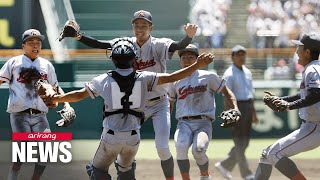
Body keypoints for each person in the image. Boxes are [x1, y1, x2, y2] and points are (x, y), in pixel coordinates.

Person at [41, 38, 214, 180]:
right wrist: (196, 65)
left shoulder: (104, 79)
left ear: (113, 59)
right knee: (126, 171)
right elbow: (172, 77)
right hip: (133, 137)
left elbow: (78, 95)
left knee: (97, 170)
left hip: (111, 136)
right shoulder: (144, 77)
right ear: (134, 59)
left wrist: (56, 98)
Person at [66, 10, 198, 180]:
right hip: (137, 104)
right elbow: (100, 44)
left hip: (159, 103)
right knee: (125, 139)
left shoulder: (159, 44)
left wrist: (188, 37)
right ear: (132, 27)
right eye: (137, 25)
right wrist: (79, 37)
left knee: (162, 148)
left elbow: (178, 46)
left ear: (151, 27)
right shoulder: (125, 43)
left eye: (144, 25)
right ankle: (125, 171)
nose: (140, 28)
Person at [0, 29, 72, 180]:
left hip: (40, 116)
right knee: (23, 149)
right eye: (31, 42)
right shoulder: (14, 62)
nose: (35, 45)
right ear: (23, 45)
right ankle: (13, 174)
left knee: (46, 151)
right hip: (19, 114)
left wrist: (67, 105)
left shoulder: (46, 65)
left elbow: (56, 87)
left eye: (38, 43)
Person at [254, 33, 320, 180]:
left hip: (315, 126)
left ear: (307, 52)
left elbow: (317, 93)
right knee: (267, 155)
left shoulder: (313, 69)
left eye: (299, 48)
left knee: (273, 153)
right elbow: (304, 94)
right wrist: (280, 99)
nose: (296, 51)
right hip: (312, 126)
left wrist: (289, 106)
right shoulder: (313, 68)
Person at [168, 44, 239, 180]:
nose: (187, 60)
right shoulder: (175, 79)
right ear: (180, 60)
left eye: (191, 57)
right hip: (183, 123)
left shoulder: (208, 76)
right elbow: (169, 102)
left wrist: (235, 108)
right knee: (181, 147)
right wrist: (165, 122)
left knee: (199, 149)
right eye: (184, 57)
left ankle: (205, 176)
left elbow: (227, 93)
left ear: (197, 59)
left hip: (203, 123)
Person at [215, 45, 258, 180]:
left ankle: (225, 165)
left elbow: (251, 94)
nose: (241, 57)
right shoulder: (229, 73)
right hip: (236, 107)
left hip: (247, 106)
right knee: (240, 142)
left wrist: (253, 113)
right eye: (238, 55)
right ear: (232, 57)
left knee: (244, 142)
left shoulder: (247, 72)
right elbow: (227, 96)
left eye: (243, 54)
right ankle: (247, 174)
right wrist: (230, 114)